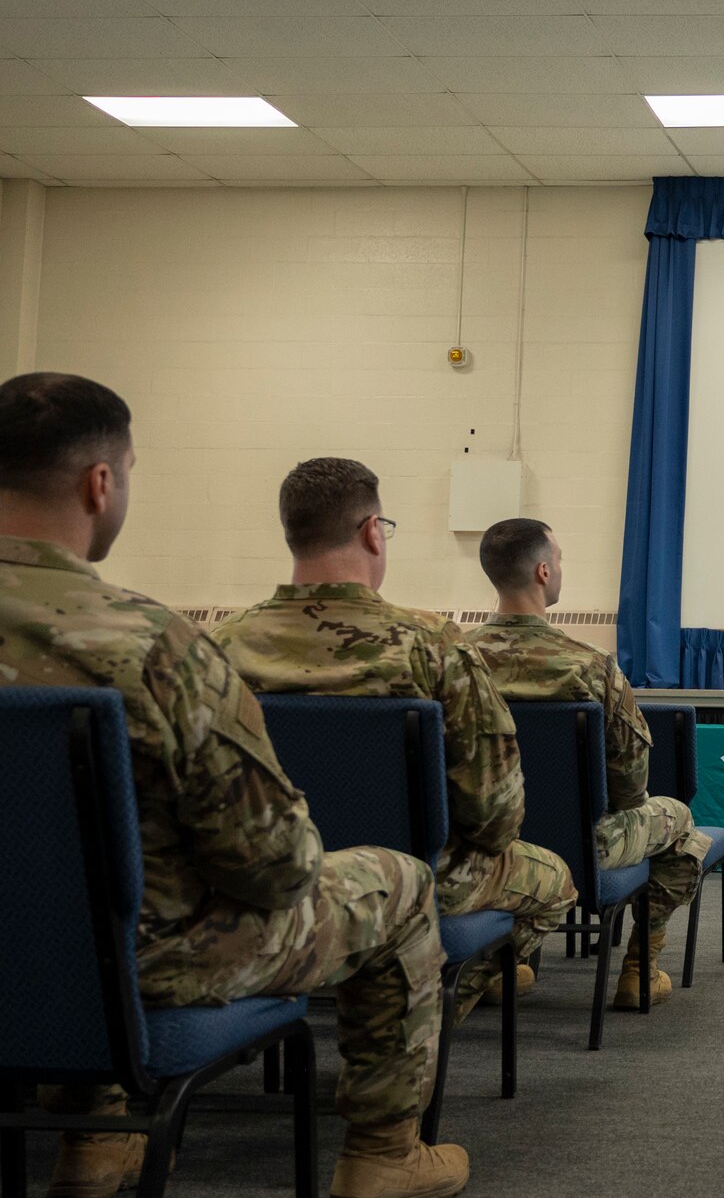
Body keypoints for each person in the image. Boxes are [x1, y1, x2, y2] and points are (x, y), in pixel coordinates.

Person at [0, 374, 465, 1198]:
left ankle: (95, 1143)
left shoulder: (202, 636)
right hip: (147, 964)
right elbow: (273, 869)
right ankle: (383, 1157)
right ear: (99, 483)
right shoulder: (151, 645)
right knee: (400, 881)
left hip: (27, 955)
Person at [211, 458, 575, 1014]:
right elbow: (495, 810)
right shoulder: (431, 644)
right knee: (555, 878)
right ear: (372, 533)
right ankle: (447, 995)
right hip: (424, 878)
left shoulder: (219, 647)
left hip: (264, 883)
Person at [466, 517, 712, 1010]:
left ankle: (495, 966)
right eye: (558, 560)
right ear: (541, 571)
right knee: (680, 822)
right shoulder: (589, 665)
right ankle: (639, 971)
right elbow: (629, 784)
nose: (560, 569)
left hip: (479, 848)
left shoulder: (455, 658)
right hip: (584, 846)